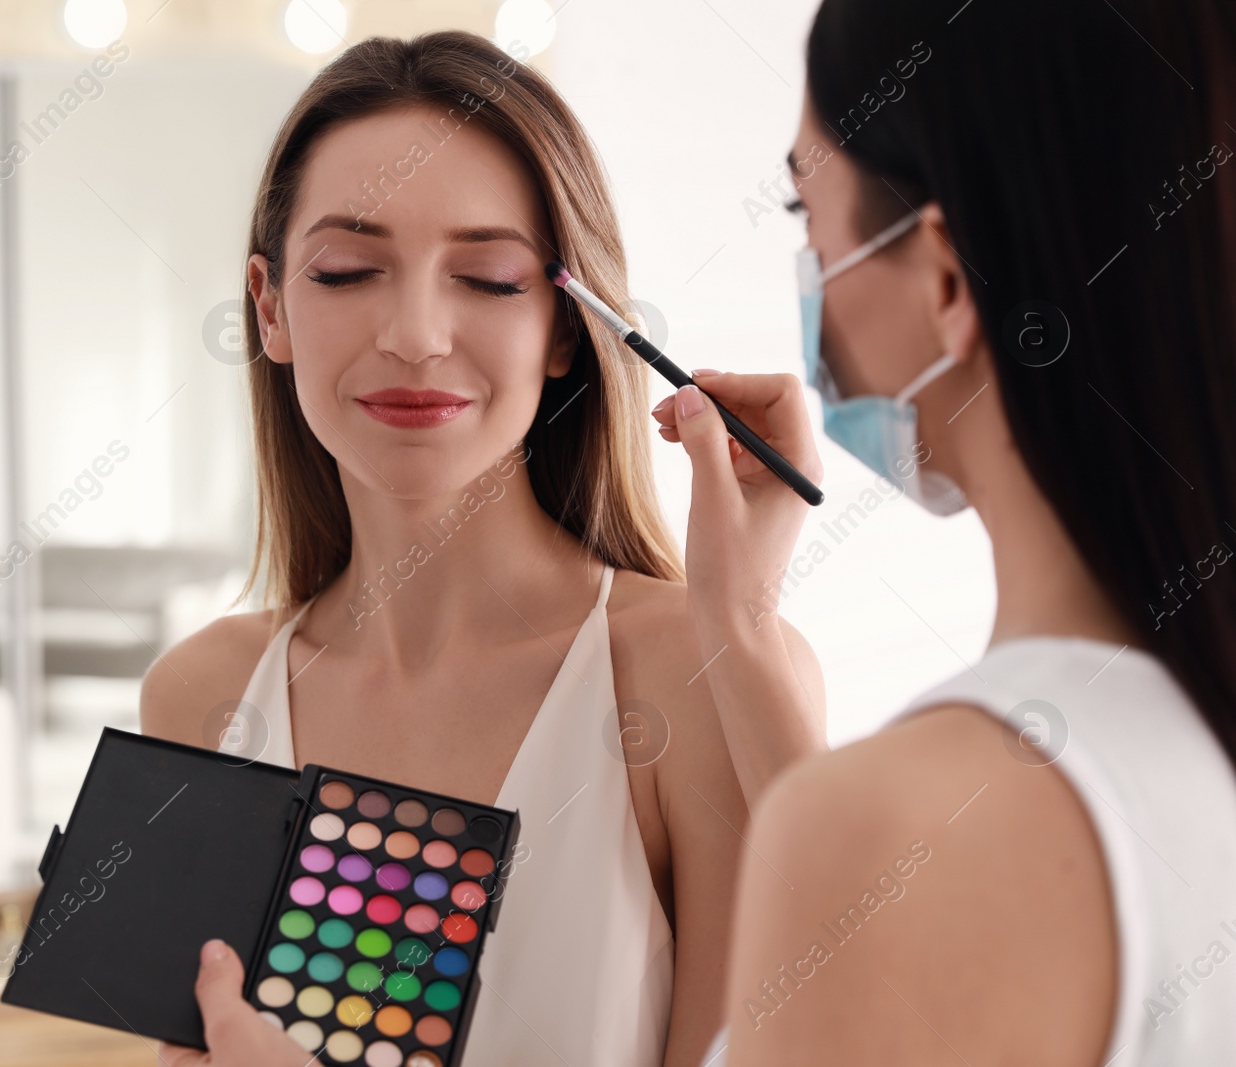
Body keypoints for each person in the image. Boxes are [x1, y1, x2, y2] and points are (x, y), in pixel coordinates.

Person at [140, 30, 823, 1067]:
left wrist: (743, 620)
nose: (416, 332)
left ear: (564, 325)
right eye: (348, 268)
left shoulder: (693, 674)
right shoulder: (199, 698)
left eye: (492, 279)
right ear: (271, 306)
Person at [654, 0, 1236, 1062]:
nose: (810, 274)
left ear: (945, 276)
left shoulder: (903, 828)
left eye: (803, 211)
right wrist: (735, 618)